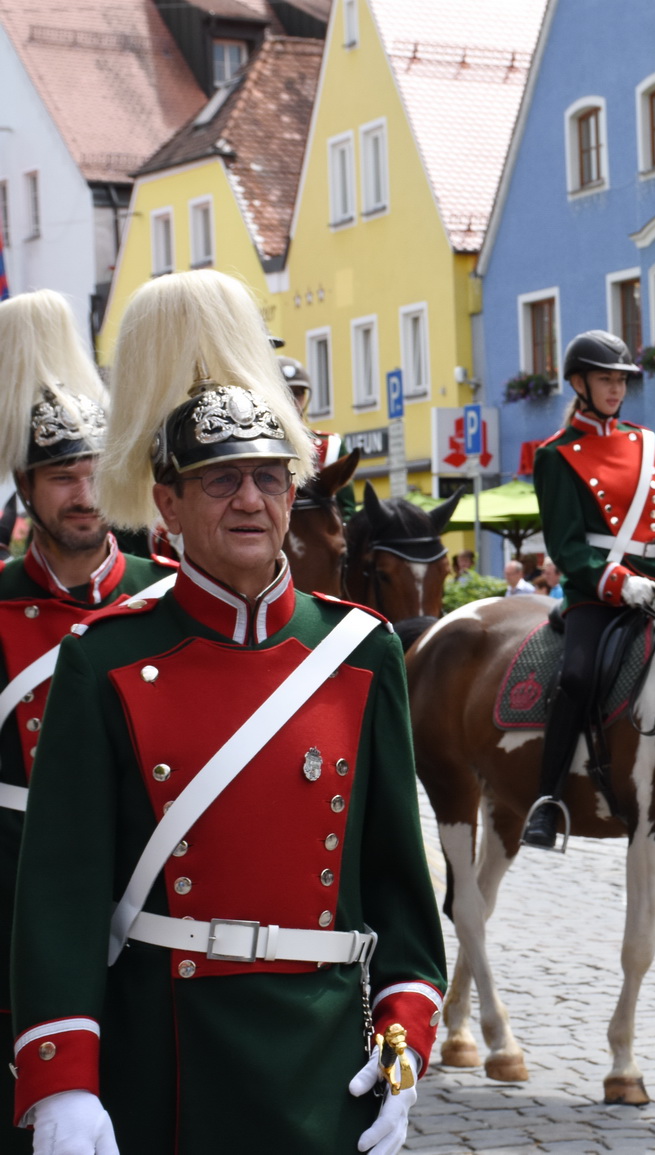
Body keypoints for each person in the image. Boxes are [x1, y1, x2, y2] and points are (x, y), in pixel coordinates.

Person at [9, 269, 445, 1155]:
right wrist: (60, 1079)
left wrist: (407, 1035)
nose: (250, 499)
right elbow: (60, 892)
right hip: (165, 1050)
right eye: (218, 481)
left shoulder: (361, 651)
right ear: (166, 502)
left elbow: (401, 884)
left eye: (267, 476)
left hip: (324, 1055)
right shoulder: (104, 658)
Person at [0, 291, 178, 1153]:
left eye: (93, 471)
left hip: (147, 907)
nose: (83, 494)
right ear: (26, 488)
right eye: (61, 476)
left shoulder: (164, 596)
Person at [522, 330, 655, 849]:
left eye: (621, 381)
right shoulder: (555, 456)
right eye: (605, 379)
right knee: (578, 677)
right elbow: (566, 547)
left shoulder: (646, 443)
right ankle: (548, 798)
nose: (615, 389)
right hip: (597, 593)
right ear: (579, 383)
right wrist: (618, 582)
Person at [280, 355, 357, 519]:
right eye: (285, 393)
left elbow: (347, 510)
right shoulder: (256, 443)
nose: (292, 401)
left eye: (298, 393)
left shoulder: (330, 447)